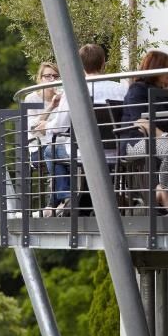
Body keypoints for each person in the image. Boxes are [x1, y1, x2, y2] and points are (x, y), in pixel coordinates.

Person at [45, 44, 126, 215]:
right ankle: (87, 200)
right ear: (104, 63)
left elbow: (60, 125)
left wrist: (47, 126)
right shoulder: (121, 89)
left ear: (79, 66)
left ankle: (68, 198)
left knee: (50, 151)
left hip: (85, 153)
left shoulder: (74, 90)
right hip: (117, 152)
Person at [121, 50, 168, 212]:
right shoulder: (137, 89)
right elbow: (141, 122)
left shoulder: (163, 94)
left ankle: (162, 192)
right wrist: (166, 137)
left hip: (160, 140)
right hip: (135, 142)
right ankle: (165, 197)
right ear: (157, 69)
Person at [23, 62, 61, 216]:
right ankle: (55, 205)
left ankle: (61, 205)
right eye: (48, 76)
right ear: (40, 78)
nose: (52, 79)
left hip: (60, 144)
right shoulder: (32, 98)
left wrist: (48, 125)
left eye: (55, 76)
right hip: (38, 148)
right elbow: (34, 129)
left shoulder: (63, 97)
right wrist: (51, 107)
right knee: (56, 155)